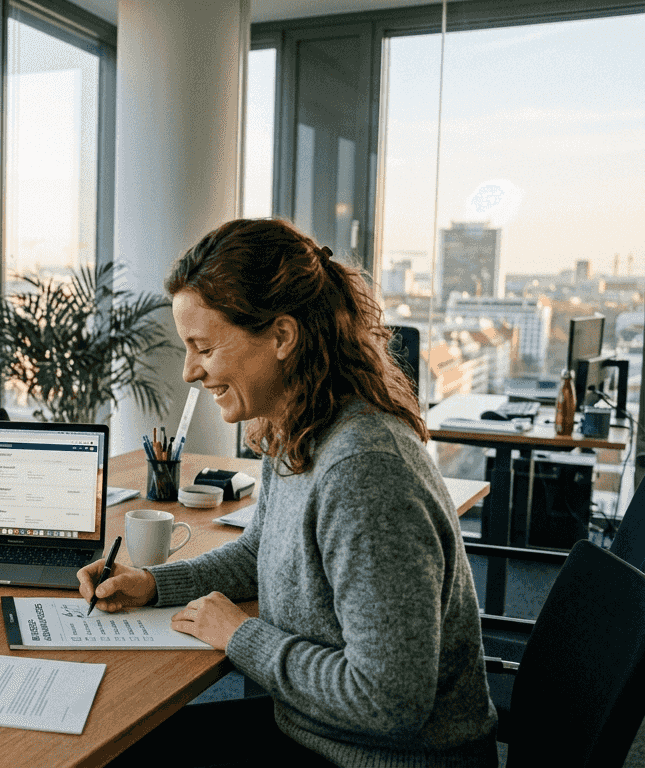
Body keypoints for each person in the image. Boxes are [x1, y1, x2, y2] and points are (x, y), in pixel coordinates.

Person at [81, 219, 497, 767]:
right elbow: (261, 552)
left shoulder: (363, 471)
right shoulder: (299, 427)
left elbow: (390, 702)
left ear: (281, 336)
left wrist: (240, 635)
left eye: (203, 346)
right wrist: (152, 584)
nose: (188, 371)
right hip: (319, 734)